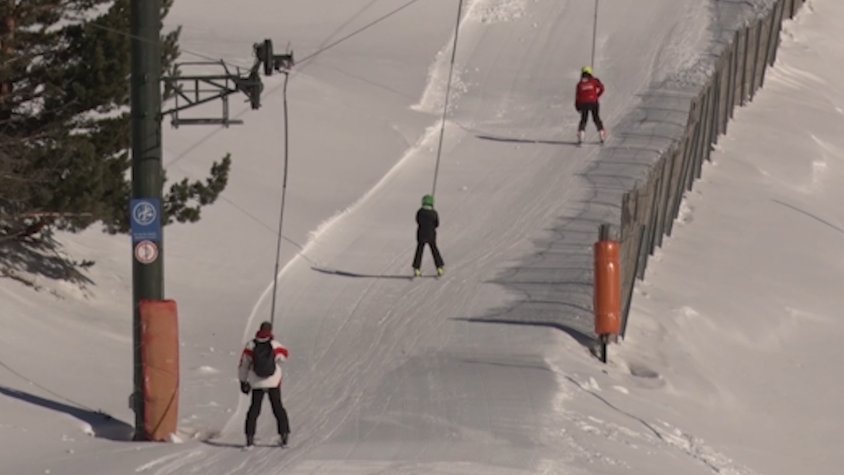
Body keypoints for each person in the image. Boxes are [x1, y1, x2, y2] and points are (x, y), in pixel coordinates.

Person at [237, 321, 291, 448]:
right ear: (270, 331)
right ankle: (284, 435)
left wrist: (243, 381)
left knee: (254, 409)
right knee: (277, 407)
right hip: (273, 381)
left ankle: (249, 437)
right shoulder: (274, 344)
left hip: (256, 382)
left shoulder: (251, 345)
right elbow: (284, 356)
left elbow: (243, 365)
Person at [412, 194, 444, 278]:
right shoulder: (433, 213)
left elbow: (417, 221)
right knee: (434, 250)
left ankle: (416, 268)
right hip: (431, 235)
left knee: (419, 250)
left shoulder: (420, 212)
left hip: (421, 234)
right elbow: (436, 224)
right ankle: (439, 267)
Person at [574, 66, 607, 144]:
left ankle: (581, 136)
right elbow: (602, 88)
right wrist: (596, 95)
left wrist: (577, 106)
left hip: (583, 103)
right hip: (593, 102)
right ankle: (601, 134)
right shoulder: (594, 81)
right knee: (596, 118)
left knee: (584, 119)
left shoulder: (579, 84)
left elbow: (577, 96)